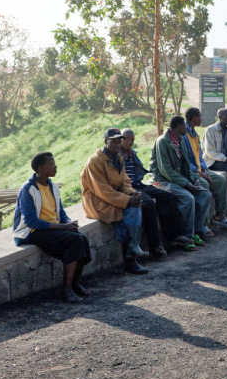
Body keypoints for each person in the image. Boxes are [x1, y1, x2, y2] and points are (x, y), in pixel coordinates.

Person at [13, 152, 91, 303]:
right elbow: (31, 222)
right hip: (32, 232)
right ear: (41, 168)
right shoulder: (28, 189)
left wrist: (69, 223)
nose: (55, 167)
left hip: (51, 228)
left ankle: (75, 284)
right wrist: (62, 227)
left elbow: (60, 212)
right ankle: (67, 290)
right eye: (52, 164)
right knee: (74, 241)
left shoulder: (53, 186)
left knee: (81, 238)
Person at [80, 128, 149, 275]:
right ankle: (132, 254)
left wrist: (132, 194)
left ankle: (131, 254)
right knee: (129, 211)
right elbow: (102, 190)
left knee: (135, 205)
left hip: (113, 196)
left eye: (120, 140)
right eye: (114, 141)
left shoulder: (118, 158)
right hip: (97, 201)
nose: (118, 144)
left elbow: (124, 182)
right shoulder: (95, 161)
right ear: (106, 142)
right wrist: (126, 200)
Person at [150, 116, 213, 249]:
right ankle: (186, 236)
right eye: (184, 125)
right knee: (188, 198)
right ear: (179, 126)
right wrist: (186, 184)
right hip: (163, 181)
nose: (186, 128)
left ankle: (197, 229)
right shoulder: (163, 142)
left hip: (179, 179)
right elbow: (165, 170)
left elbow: (186, 166)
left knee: (205, 194)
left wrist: (194, 179)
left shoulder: (180, 141)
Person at [120, 128, 181, 256]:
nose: (130, 142)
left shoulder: (131, 154)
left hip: (139, 184)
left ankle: (173, 237)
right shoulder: (117, 156)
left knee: (168, 197)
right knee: (148, 204)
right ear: (121, 139)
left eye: (132, 139)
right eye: (127, 139)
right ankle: (155, 245)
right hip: (128, 188)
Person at [184, 106, 227, 225]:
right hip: (193, 171)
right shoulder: (184, 135)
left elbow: (199, 156)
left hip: (201, 169)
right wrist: (199, 172)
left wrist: (203, 168)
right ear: (194, 118)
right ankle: (203, 224)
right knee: (204, 186)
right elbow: (187, 160)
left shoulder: (194, 134)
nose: (201, 118)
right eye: (200, 116)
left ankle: (220, 214)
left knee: (221, 180)